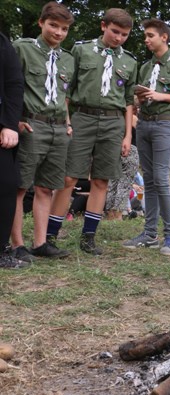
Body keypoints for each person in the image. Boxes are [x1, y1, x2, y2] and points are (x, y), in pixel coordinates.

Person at [48, 8, 137, 255]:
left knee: (101, 180)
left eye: (124, 34)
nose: (119, 38)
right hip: (82, 117)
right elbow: (66, 88)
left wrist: (128, 134)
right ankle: (50, 235)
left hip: (113, 122)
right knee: (69, 178)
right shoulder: (81, 50)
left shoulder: (130, 61)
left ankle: (89, 237)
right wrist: (67, 121)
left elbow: (129, 100)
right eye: (115, 31)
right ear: (103, 26)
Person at [122, 18, 170, 256]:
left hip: (165, 125)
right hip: (143, 125)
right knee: (150, 180)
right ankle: (150, 234)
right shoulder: (145, 67)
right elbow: (137, 100)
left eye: (150, 35)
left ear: (164, 37)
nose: (146, 39)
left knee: (162, 179)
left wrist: (162, 96)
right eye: (145, 36)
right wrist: (140, 99)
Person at [11, 2, 75, 261]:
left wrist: (68, 123)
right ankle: (17, 244)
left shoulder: (67, 59)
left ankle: (40, 243)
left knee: (46, 187)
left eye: (64, 29)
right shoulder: (22, 49)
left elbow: (64, 95)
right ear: (41, 23)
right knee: (20, 186)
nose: (58, 33)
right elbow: (10, 87)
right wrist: (12, 121)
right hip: (31, 124)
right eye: (53, 26)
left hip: (59, 128)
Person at [0, 31, 28, 269]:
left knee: (7, 184)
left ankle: (0, 250)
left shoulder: (2, 43)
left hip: (1, 127)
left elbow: (13, 84)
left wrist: (9, 124)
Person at [105, 109, 140, 220]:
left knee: (113, 184)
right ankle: (119, 215)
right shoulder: (134, 119)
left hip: (114, 149)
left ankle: (110, 214)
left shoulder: (113, 118)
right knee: (124, 185)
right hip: (131, 150)